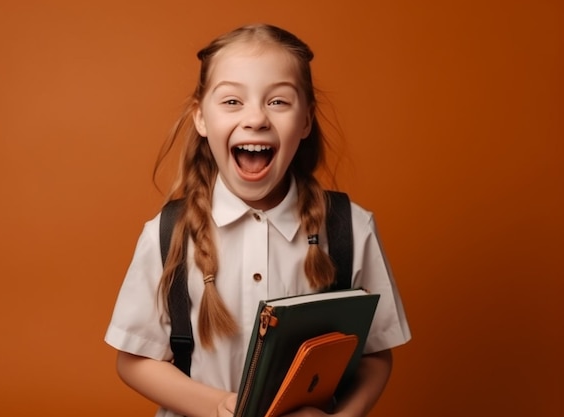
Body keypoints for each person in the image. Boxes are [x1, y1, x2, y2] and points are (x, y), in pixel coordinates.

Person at [105, 23, 411, 417]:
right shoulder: (167, 235)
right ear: (201, 119)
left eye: (278, 102)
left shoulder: (350, 228)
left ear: (305, 121)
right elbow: (133, 360)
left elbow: (375, 355)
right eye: (232, 101)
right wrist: (218, 405)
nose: (256, 119)